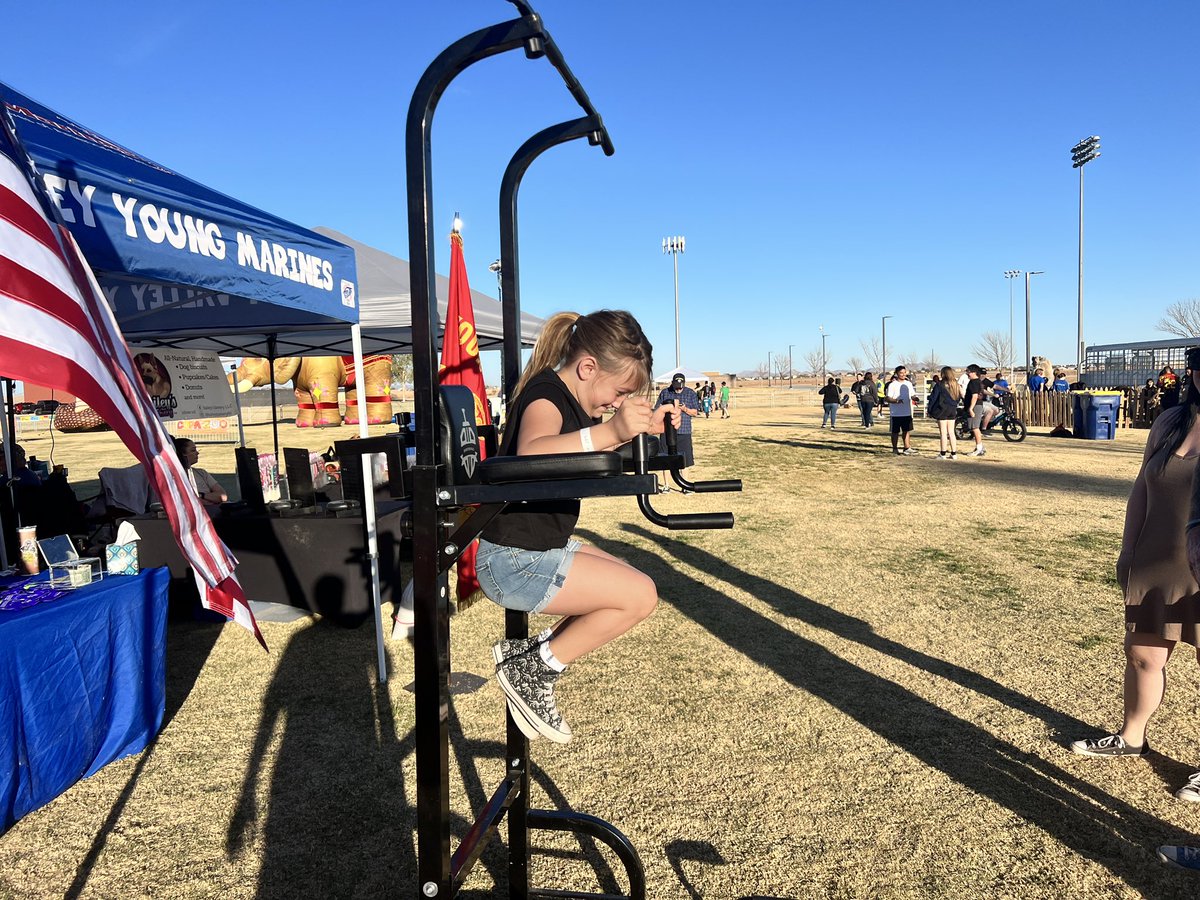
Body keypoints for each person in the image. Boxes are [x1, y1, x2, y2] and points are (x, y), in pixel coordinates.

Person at [475, 310, 679, 743]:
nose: (616, 404)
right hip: (513, 560)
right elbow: (533, 452)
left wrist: (646, 433)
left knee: (633, 584)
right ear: (587, 368)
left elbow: (587, 455)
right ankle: (532, 669)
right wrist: (610, 432)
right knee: (638, 597)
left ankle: (532, 657)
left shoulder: (575, 404)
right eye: (619, 392)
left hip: (539, 548)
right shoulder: (546, 395)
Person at [1070, 348, 1200, 804]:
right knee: (1143, 655)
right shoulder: (1170, 422)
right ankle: (1130, 738)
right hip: (1157, 558)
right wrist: (1128, 550)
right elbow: (1141, 490)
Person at [655, 373, 701, 469]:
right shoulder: (665, 392)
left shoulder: (690, 393)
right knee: (665, 459)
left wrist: (685, 409)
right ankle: (666, 484)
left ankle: (684, 481)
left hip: (684, 431)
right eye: (676, 386)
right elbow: (657, 409)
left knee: (685, 461)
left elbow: (696, 412)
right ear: (672, 383)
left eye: (680, 387)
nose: (678, 389)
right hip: (666, 431)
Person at [172, 438, 227, 508]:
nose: (197, 453)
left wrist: (201, 495)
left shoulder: (201, 473)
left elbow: (222, 496)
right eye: (193, 450)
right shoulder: (173, 476)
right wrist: (209, 498)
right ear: (181, 454)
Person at [927, 366, 961, 460]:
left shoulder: (939, 385)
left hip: (942, 409)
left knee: (943, 432)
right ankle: (954, 453)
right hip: (952, 409)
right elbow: (959, 398)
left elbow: (934, 398)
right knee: (951, 432)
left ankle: (943, 453)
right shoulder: (956, 385)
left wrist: (929, 409)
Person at [886, 365, 917, 455]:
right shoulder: (892, 385)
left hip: (907, 412)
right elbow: (888, 398)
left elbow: (912, 394)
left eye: (904, 372)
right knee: (895, 432)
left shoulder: (908, 384)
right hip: (896, 413)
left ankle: (907, 447)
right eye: (901, 373)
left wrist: (915, 398)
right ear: (897, 374)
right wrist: (896, 401)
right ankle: (895, 448)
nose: (903, 374)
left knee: (906, 430)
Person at [962, 365, 987, 457]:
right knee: (974, 427)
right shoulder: (978, 382)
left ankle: (979, 449)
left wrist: (971, 408)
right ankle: (980, 447)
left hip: (975, 406)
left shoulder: (973, 382)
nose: (967, 373)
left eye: (968, 372)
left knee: (975, 427)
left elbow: (975, 396)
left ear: (974, 372)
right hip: (977, 405)